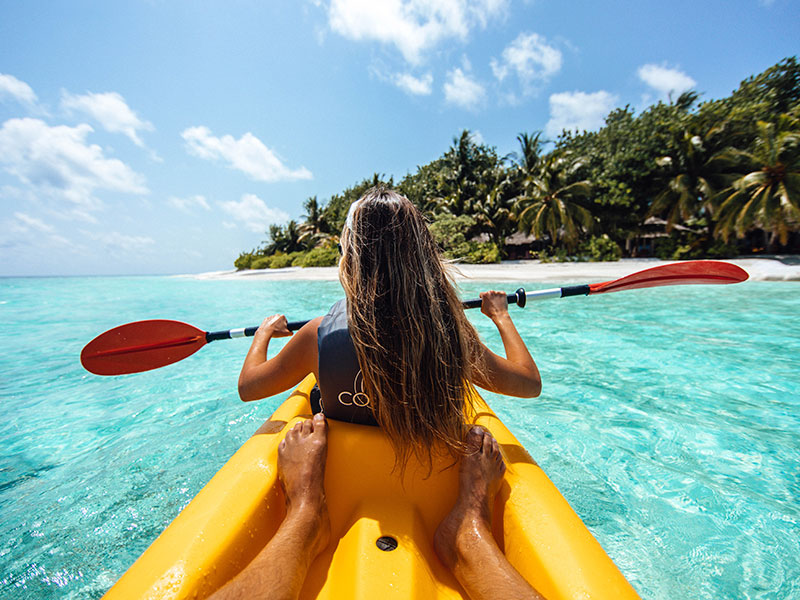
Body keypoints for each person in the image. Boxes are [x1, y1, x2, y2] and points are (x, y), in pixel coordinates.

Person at [213, 187, 545, 600]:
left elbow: (249, 387)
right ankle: (468, 529)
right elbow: (528, 384)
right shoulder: (451, 334)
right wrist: (501, 317)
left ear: (349, 256)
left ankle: (306, 517)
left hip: (340, 474)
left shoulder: (317, 334)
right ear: (424, 255)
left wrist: (263, 335)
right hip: (435, 475)